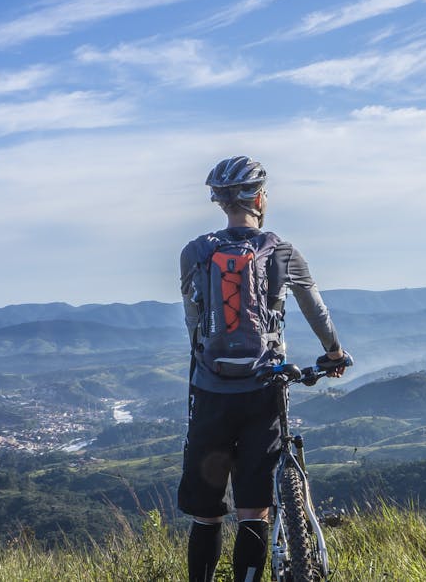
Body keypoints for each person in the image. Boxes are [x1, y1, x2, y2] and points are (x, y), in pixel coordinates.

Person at [178, 155, 346, 582]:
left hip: (210, 392)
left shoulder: (195, 253)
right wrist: (334, 353)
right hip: (263, 392)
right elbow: (316, 311)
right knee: (253, 508)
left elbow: (194, 323)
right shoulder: (283, 251)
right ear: (258, 198)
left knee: (207, 511)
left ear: (221, 201)